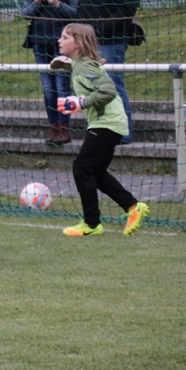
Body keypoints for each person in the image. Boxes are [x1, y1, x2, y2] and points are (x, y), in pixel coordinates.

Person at [51, 23, 149, 237]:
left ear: (78, 43)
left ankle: (92, 224)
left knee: (81, 167)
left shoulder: (86, 67)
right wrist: (68, 66)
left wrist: (81, 102)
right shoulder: (82, 65)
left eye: (65, 37)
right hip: (110, 123)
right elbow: (89, 81)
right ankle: (133, 207)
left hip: (107, 124)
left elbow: (109, 91)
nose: (59, 40)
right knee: (95, 171)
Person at [76, 0, 140, 144]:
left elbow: (128, 8)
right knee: (93, 87)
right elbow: (82, 7)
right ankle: (102, 130)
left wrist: (102, 28)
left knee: (114, 84)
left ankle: (124, 132)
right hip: (89, 42)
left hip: (112, 40)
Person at [21, 0, 80, 146]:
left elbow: (76, 13)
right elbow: (25, 13)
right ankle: (54, 128)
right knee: (48, 89)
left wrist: (56, 3)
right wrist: (36, 3)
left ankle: (65, 128)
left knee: (61, 86)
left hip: (61, 44)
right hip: (39, 42)